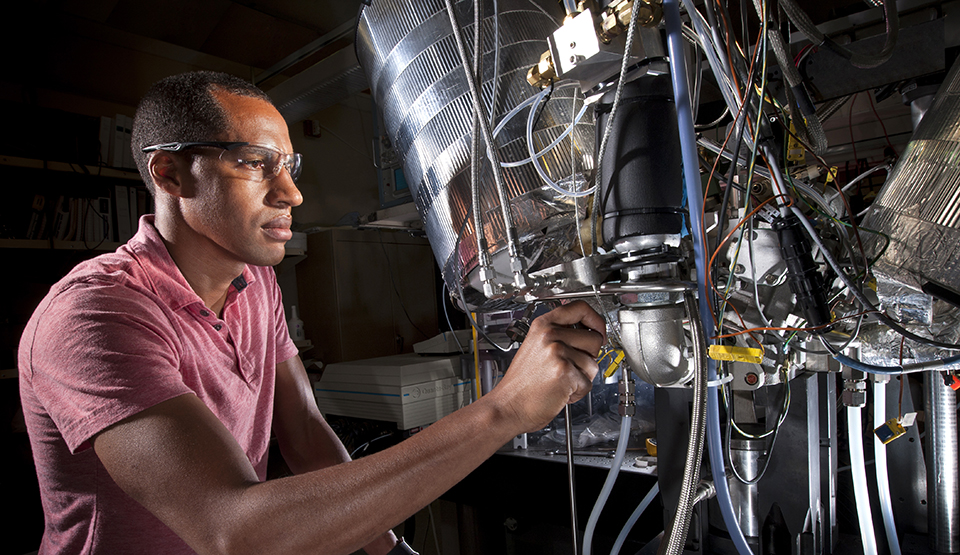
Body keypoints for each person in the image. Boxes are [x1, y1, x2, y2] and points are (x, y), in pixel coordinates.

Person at [18, 71, 606, 555]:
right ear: (168, 173)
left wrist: (384, 547)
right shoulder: (95, 316)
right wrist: (502, 410)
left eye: (289, 167)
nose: (291, 194)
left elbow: (302, 431)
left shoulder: (258, 283)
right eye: (254, 163)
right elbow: (232, 528)